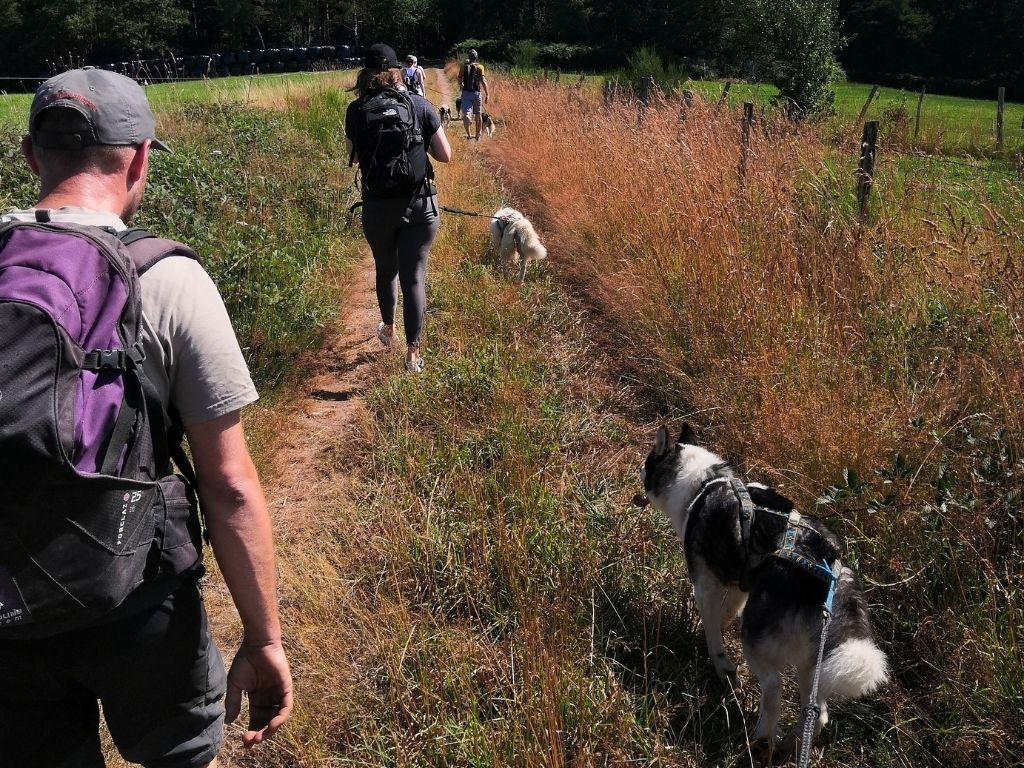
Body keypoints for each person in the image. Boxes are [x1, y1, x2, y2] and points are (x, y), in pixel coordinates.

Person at [0, 67, 292, 767]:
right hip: (136, 596)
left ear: (32, 156)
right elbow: (229, 487)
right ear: (138, 160)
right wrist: (264, 638)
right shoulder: (166, 278)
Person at [346, 43, 452, 373]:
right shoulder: (419, 105)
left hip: (377, 208)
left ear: (366, 73)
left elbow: (351, 156)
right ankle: (412, 354)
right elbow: (445, 155)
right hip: (419, 205)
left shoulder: (356, 110)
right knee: (414, 276)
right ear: (397, 71)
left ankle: (388, 329)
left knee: (385, 269)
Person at [458, 48, 490, 141]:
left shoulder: (463, 66)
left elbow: (459, 79)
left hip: (466, 93)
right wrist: (487, 94)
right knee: (478, 114)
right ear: (476, 57)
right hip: (476, 94)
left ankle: (469, 134)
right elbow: (483, 81)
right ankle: (477, 135)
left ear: (469, 57)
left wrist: (461, 85)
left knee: (466, 113)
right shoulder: (480, 67)